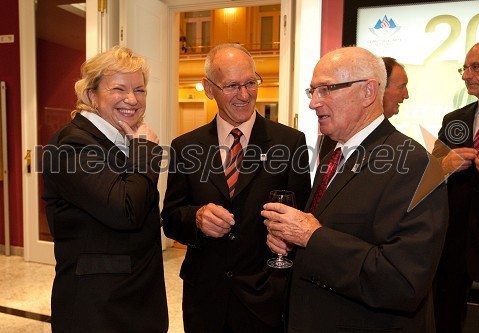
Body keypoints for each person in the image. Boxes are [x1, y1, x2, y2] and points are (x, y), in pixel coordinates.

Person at [261, 46, 449, 332]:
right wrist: (293, 244)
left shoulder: (413, 163)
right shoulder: (334, 155)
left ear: (368, 92)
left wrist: (312, 237)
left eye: (326, 89)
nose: (313, 103)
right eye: (311, 91)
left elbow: (403, 281)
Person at [161, 43, 311, 333]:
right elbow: (170, 219)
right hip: (205, 299)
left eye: (250, 83)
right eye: (231, 85)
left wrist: (288, 241)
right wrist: (196, 217)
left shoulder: (290, 143)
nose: (244, 95)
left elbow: (303, 216)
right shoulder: (185, 146)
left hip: (265, 298)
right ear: (208, 88)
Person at [41, 46, 168, 332]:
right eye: (119, 88)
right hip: (99, 308)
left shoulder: (119, 139)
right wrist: (145, 151)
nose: (132, 99)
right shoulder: (72, 144)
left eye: (140, 89)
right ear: (91, 95)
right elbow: (126, 211)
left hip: (132, 298)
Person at [432, 40, 479, 332]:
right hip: (453, 251)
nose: (465, 75)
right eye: (465, 67)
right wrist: (444, 166)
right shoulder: (453, 120)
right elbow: (430, 175)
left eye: (477, 67)